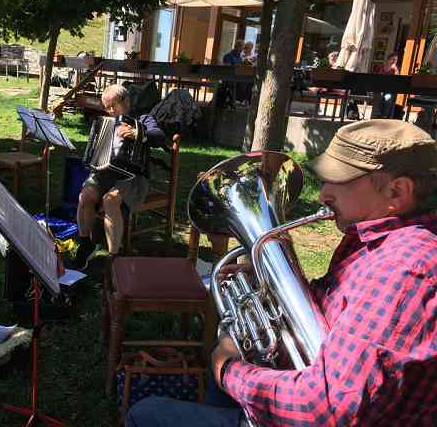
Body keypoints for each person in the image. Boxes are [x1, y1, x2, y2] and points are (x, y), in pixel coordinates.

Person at [127, 119, 437, 426]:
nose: (322, 195)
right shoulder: (373, 242)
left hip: (310, 412)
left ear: (397, 192)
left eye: (339, 180)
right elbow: (335, 319)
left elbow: (324, 411)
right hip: (310, 388)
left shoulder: (405, 270)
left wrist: (229, 370)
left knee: (144, 413)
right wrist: (272, 286)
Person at [74, 84, 165, 269]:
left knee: (110, 200)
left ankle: (114, 256)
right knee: (85, 196)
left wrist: (138, 133)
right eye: (106, 107)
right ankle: (85, 243)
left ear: (126, 101)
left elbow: (159, 136)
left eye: (112, 106)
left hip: (133, 177)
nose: (109, 111)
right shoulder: (106, 122)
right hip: (105, 173)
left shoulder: (143, 118)